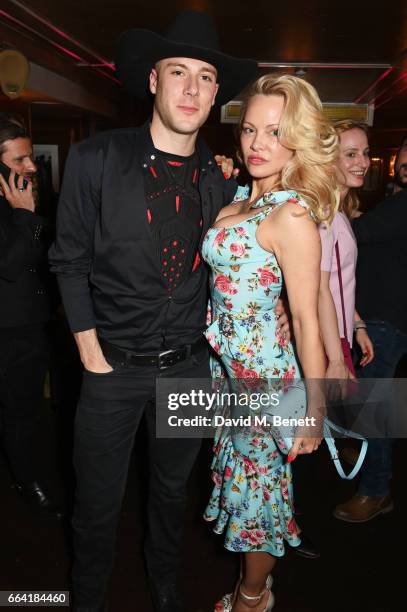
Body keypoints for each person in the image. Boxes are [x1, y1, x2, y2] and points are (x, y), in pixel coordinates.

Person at [48, 10, 259, 612]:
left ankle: (164, 589)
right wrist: (90, 354)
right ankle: (86, 598)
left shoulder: (224, 182)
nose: (192, 88)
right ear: (153, 81)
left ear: (217, 93)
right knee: (96, 504)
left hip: (189, 369)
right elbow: (67, 262)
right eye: (178, 72)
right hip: (111, 370)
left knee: (170, 496)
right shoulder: (96, 159)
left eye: (206, 77)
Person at [202, 74, 339, 612]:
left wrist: (314, 409)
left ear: (297, 139)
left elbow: (306, 319)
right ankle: (256, 583)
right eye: (250, 129)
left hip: (268, 384)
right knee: (248, 486)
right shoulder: (241, 197)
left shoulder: (292, 214)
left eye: (275, 133)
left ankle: (251, 595)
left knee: (256, 501)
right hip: (229, 376)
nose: (258, 143)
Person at [334, 141, 407, 522]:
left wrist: (343, 219)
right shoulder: (396, 202)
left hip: (384, 320)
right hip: (377, 318)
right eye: (406, 152)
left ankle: (376, 491)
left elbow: (356, 234)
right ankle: (368, 452)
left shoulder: (401, 205)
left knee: (373, 405)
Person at [0, 115, 60, 518]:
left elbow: (43, 254)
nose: (32, 167)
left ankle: (27, 471)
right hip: (6, 331)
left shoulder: (28, 196)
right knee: (17, 411)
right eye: (20, 160)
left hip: (33, 322)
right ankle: (26, 480)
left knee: (27, 410)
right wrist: (25, 215)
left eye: (30, 157)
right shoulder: (20, 205)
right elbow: (8, 264)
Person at [318, 120, 374, 391]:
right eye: (351, 154)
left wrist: (358, 325)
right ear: (328, 160)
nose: (362, 162)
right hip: (326, 342)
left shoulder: (339, 211)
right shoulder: (324, 213)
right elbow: (318, 288)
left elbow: (338, 282)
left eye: (365, 153)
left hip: (339, 337)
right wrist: (337, 359)